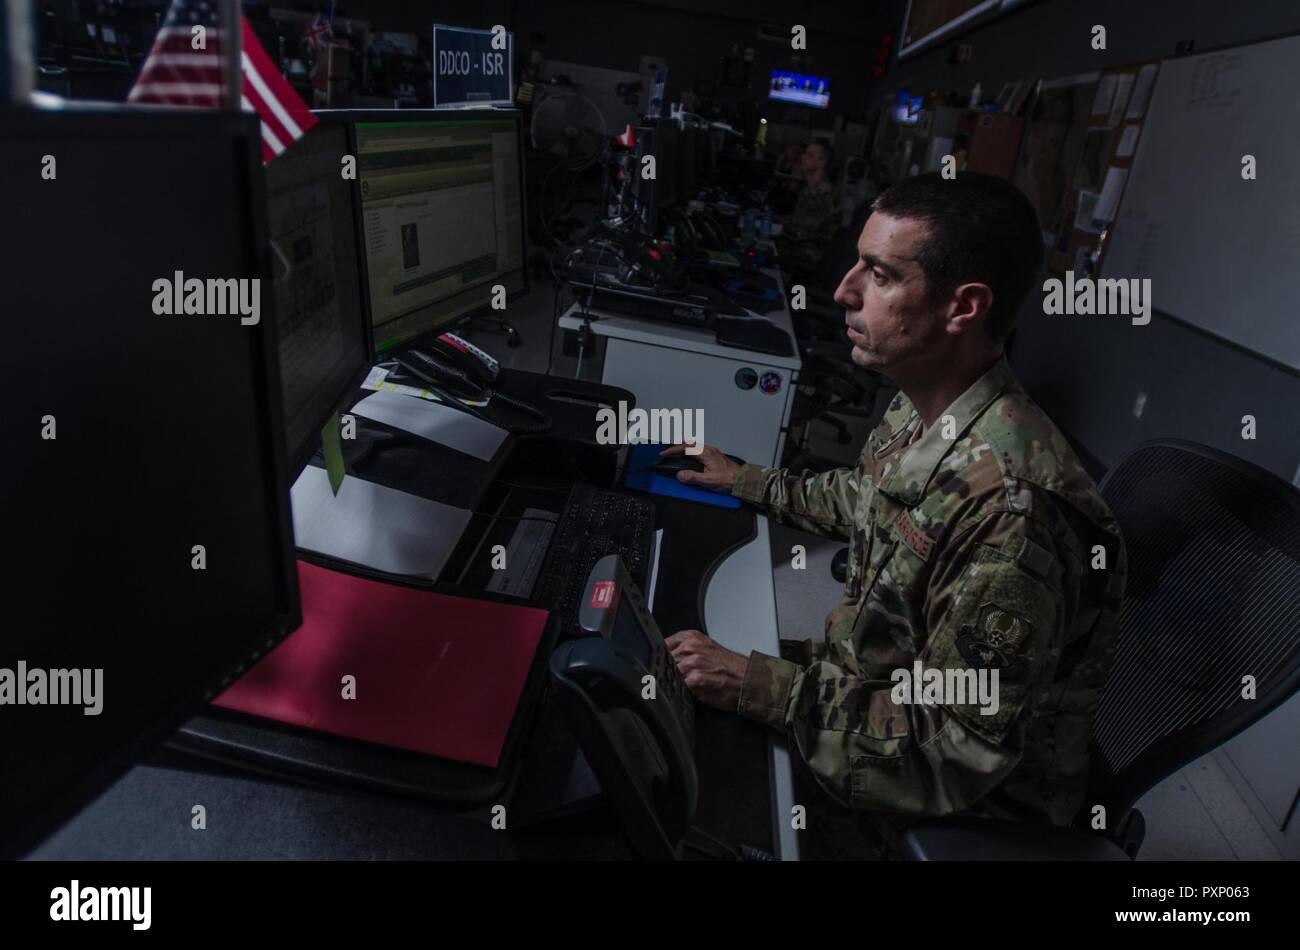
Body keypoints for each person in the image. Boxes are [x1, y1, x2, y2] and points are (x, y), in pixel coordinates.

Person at [662, 172, 1127, 858]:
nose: (843, 291)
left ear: (962, 307)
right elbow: (865, 500)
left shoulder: (1011, 514)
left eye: (878, 275)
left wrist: (764, 687)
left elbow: (953, 749)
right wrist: (748, 479)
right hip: (869, 686)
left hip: (947, 811)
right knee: (665, 678)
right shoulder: (929, 400)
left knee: (689, 810)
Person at [774, 141, 838, 267]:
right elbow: (797, 223)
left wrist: (777, 227)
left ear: (821, 163)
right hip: (795, 247)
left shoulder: (823, 194)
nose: (802, 157)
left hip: (806, 254)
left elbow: (803, 233)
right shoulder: (809, 188)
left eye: (809, 155)